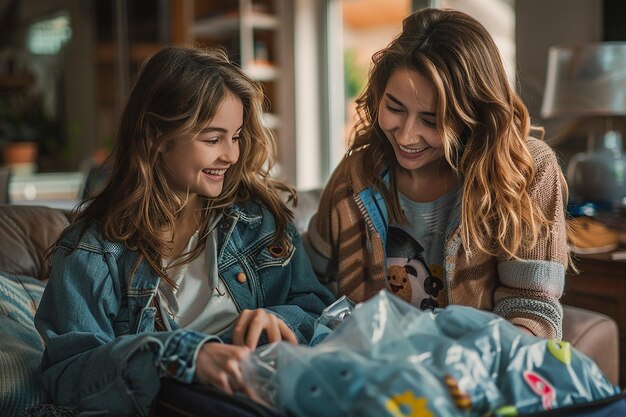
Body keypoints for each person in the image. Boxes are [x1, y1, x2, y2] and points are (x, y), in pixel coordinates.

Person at [34, 46, 335, 416]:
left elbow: (318, 312)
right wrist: (180, 356)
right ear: (156, 138)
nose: (231, 155)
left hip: (279, 391)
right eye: (213, 139)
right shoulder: (91, 251)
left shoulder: (262, 221)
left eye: (236, 136)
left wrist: (278, 319)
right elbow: (66, 377)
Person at [306, 8, 569, 340]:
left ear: (474, 114)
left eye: (432, 120)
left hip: (478, 377)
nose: (405, 136)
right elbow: (307, 284)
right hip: (370, 374)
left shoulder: (526, 171)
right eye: (394, 108)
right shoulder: (356, 175)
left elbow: (532, 310)